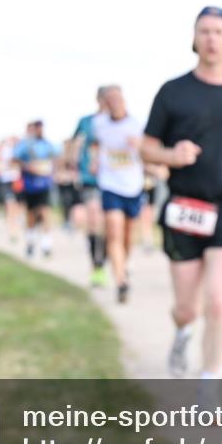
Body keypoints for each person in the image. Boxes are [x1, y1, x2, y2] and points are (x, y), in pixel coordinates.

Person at [140, 6, 222, 386]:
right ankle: (182, 334)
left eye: (218, 32)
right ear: (194, 40)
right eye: (204, 31)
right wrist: (170, 155)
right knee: (187, 307)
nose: (211, 38)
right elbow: (146, 147)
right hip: (185, 208)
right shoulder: (173, 91)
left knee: (219, 302)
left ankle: (210, 383)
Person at [89, 85, 145, 303]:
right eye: (109, 99)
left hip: (133, 184)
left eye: (117, 98)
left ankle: (123, 264)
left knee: (128, 236)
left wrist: (138, 145)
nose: (113, 102)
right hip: (109, 184)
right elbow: (95, 145)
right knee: (113, 232)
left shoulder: (136, 124)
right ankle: (121, 281)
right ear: (104, 102)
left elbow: (148, 148)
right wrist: (94, 160)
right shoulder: (99, 124)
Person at [72, 89, 110, 287]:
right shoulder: (86, 122)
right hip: (91, 179)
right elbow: (74, 144)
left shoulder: (120, 123)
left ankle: (113, 259)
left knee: (112, 223)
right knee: (94, 219)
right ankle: (97, 265)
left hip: (116, 181)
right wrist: (71, 165)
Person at [13, 120, 59, 258]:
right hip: (30, 185)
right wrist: (28, 166)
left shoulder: (48, 145)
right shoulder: (25, 145)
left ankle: (46, 245)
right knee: (31, 215)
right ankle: (31, 242)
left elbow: (56, 159)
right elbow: (15, 159)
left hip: (44, 184)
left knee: (45, 212)